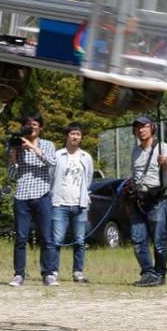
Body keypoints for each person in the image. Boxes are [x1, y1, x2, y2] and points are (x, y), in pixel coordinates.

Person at [7, 112, 56, 286]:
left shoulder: (48, 145)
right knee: (21, 238)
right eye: (29, 124)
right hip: (22, 196)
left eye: (35, 124)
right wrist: (13, 155)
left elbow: (52, 163)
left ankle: (48, 274)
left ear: (40, 128)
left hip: (42, 194)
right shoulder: (17, 145)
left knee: (46, 237)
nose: (32, 127)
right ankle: (19, 274)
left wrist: (33, 148)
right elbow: (12, 175)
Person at [128, 116, 167, 287]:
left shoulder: (163, 147)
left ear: (152, 128)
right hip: (138, 200)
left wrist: (166, 163)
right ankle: (148, 272)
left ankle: (160, 274)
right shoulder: (135, 151)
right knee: (138, 238)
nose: (141, 130)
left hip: (157, 200)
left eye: (144, 126)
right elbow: (134, 174)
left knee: (159, 241)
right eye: (138, 127)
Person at [46, 122, 94, 285]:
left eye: (78, 134)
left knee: (80, 240)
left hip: (80, 204)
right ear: (67, 136)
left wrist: (84, 197)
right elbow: (50, 176)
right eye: (72, 134)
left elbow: (88, 179)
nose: (75, 137)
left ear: (81, 137)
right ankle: (52, 272)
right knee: (56, 239)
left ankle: (78, 272)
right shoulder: (57, 155)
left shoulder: (86, 157)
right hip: (59, 203)